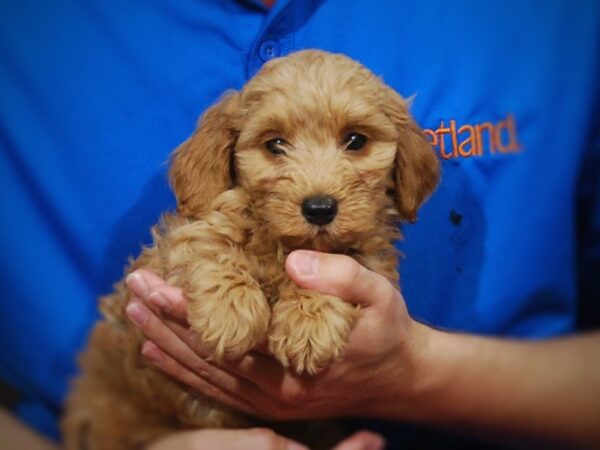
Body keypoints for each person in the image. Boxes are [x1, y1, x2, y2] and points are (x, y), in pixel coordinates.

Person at [1, 1, 598, 449]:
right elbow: (189, 250)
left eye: (356, 142)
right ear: (227, 153)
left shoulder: (553, 24)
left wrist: (412, 372)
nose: (318, 187)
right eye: (275, 145)